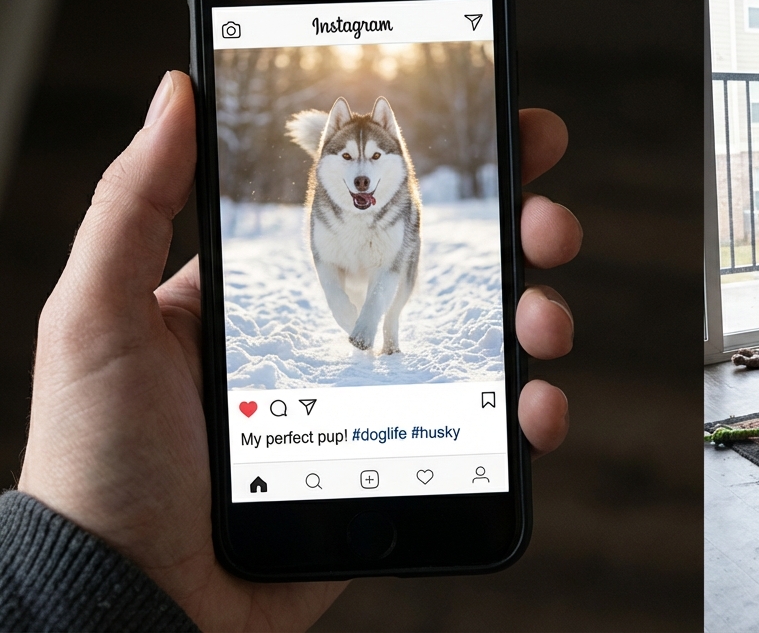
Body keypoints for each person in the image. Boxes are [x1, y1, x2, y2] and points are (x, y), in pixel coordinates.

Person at [0, 72, 583, 630]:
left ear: (393, 151)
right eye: (346, 158)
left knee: (393, 291)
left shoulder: (399, 200)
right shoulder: (327, 205)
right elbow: (325, 264)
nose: (361, 173)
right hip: (149, 576)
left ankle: (390, 333)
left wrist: (371, 320)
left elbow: (393, 268)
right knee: (347, 280)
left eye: (373, 159)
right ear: (328, 158)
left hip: (390, 255)